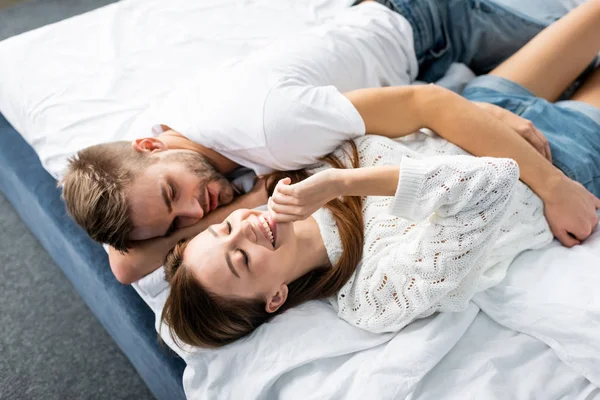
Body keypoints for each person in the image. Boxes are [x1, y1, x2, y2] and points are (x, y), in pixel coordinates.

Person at [159, 0, 600, 348]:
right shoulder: (374, 297)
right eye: (241, 259)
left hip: (486, 110)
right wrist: (344, 183)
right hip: (560, 167)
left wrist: (478, 111)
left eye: (226, 229)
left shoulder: (290, 179)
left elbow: (410, 118)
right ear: (275, 298)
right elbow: (491, 182)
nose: (245, 230)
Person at [60, 0, 592, 284]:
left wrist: (553, 188)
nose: (197, 211)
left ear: (149, 148)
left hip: (432, 25)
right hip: (390, 69)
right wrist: (246, 202)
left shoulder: (272, 129)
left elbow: (429, 104)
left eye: (175, 195)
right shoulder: (163, 139)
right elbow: (127, 265)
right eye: (176, 226)